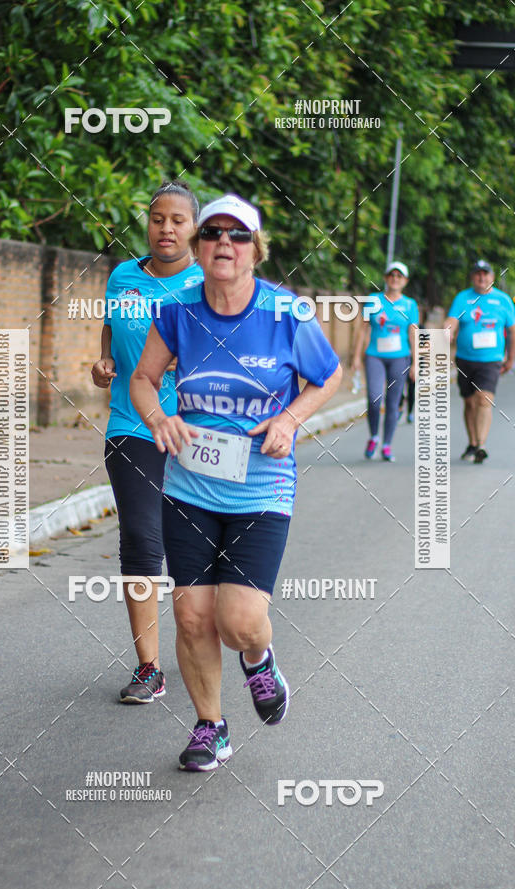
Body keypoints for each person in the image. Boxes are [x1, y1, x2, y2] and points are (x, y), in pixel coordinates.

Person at [130, 194, 342, 770]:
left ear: (255, 249)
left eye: (238, 235)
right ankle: (211, 727)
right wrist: (158, 417)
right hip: (188, 486)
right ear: (199, 247)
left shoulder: (285, 313)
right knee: (192, 615)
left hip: (262, 487)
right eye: (214, 233)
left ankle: (259, 659)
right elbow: (144, 379)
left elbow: (328, 376)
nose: (225, 243)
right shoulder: (177, 312)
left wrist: (290, 418)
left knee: (238, 622)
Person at [91, 181, 203, 703]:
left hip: (197, 431)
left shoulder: (209, 280)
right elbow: (111, 331)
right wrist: (106, 361)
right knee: (140, 538)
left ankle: (198, 640)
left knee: (192, 547)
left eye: (178, 220)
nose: (166, 228)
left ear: (194, 228)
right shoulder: (123, 276)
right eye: (158, 218)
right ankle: (149, 667)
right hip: (131, 424)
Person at [444, 259, 515, 464]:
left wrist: (510, 358)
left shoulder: (503, 300)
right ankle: (473, 442)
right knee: (469, 402)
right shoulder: (463, 298)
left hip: (491, 360)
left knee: (483, 400)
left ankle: (481, 445)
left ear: (492, 277)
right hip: (465, 360)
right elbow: (452, 320)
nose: (482, 277)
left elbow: (512, 330)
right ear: (472, 277)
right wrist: (446, 329)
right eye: (478, 274)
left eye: (486, 274)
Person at [351, 261, 418, 461]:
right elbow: (362, 329)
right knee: (374, 397)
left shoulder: (410, 304)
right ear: (386, 278)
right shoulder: (373, 300)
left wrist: (416, 362)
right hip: (375, 356)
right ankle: (373, 436)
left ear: (405, 281)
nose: (395, 279)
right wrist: (356, 356)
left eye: (399, 276)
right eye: (392, 275)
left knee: (393, 402)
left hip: (400, 357)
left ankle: (387, 444)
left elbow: (413, 333)